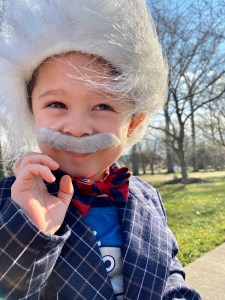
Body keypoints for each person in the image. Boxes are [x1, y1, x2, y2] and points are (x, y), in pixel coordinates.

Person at [0, 1, 201, 299]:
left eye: (103, 106)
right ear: (30, 111)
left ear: (134, 123)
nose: (78, 127)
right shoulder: (12, 198)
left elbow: (169, 270)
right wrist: (29, 230)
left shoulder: (147, 197)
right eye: (57, 104)